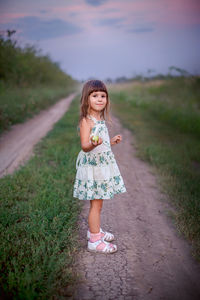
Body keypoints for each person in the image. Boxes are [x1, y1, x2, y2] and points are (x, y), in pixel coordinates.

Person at [73, 79, 126, 254]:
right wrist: (93, 144)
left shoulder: (100, 119)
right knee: (96, 205)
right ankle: (95, 240)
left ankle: (93, 231)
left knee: (99, 204)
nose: (100, 99)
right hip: (93, 168)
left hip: (100, 165)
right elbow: (85, 146)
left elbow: (101, 144)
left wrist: (111, 142)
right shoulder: (86, 122)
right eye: (95, 95)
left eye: (103, 96)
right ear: (86, 99)